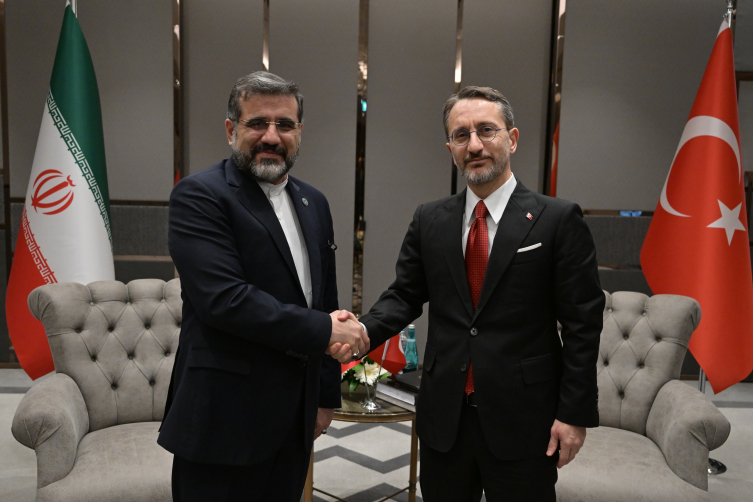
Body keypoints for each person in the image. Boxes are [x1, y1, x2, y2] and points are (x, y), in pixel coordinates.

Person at [344, 86, 604, 501]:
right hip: (444, 416)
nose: (475, 145)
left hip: (524, 418)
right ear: (450, 148)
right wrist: (361, 331)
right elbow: (404, 295)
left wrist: (574, 413)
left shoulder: (557, 220)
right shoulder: (430, 219)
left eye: (487, 130)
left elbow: (582, 325)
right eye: (461, 135)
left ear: (512, 139)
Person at [158, 71, 367, 502]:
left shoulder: (314, 202)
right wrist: (327, 329)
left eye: (284, 125)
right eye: (257, 123)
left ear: (299, 132)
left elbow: (325, 301)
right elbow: (225, 301)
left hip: (293, 422)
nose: (271, 136)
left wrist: (324, 397)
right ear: (231, 129)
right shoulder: (200, 196)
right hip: (223, 421)